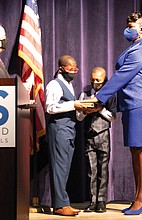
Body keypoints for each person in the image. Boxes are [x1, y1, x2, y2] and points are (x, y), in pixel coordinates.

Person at [85, 12, 142, 215]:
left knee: (139, 151)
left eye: (133, 25)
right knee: (136, 152)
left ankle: (140, 199)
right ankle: (138, 197)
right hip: (131, 105)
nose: (129, 28)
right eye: (128, 24)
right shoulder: (134, 47)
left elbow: (122, 76)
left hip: (137, 104)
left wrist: (98, 97)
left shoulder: (140, 49)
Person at [45, 55, 87, 216]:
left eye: (76, 69)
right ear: (61, 68)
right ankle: (59, 205)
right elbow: (50, 107)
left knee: (65, 168)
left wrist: (82, 110)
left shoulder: (69, 85)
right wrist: (73, 104)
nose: (74, 72)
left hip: (69, 130)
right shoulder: (54, 84)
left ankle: (64, 202)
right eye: (71, 69)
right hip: (59, 130)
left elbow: (73, 112)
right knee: (59, 168)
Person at [78, 67, 117, 213]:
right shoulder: (84, 94)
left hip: (103, 136)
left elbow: (113, 117)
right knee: (91, 170)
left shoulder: (110, 94)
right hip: (89, 136)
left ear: (105, 79)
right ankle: (92, 200)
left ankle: (101, 201)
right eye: (92, 80)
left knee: (103, 170)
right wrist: (85, 111)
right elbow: (78, 117)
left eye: (98, 80)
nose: (95, 83)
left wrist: (99, 109)